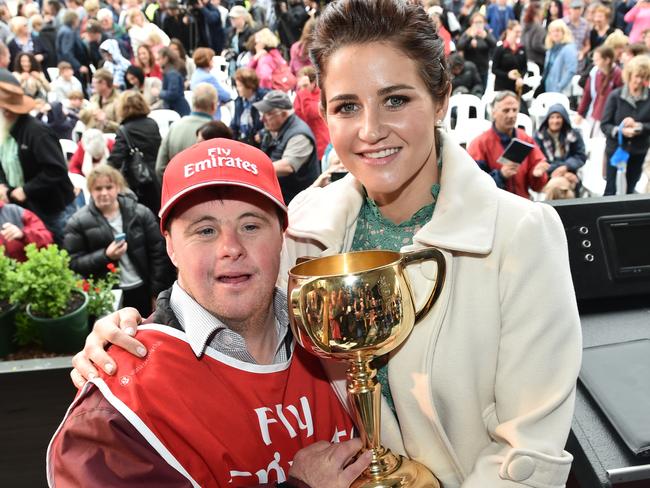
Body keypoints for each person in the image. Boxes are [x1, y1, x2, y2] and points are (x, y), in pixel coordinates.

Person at [72, 2, 582, 487]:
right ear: (324, 113)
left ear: (441, 98)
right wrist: (133, 331)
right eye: (346, 106)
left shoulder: (520, 236)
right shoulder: (302, 228)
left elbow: (528, 450)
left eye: (396, 99)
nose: (370, 130)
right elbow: (236, 311)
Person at [50, 138, 369, 487]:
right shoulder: (116, 410)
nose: (230, 248)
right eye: (205, 230)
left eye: (251, 226)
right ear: (171, 246)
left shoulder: (335, 339)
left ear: (282, 235)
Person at [63, 164, 173, 316]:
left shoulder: (140, 213)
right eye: (98, 188)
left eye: (109, 187)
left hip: (141, 288)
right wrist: (106, 256)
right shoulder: (77, 222)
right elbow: (73, 262)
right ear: (90, 190)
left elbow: (158, 255)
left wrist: (157, 293)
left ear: (118, 187)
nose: (104, 193)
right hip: (108, 294)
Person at [0, 71, 76, 244]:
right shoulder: (4, 132)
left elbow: (56, 170)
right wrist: (3, 184)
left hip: (54, 209)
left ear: (7, 111)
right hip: (27, 209)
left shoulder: (36, 132)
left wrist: (27, 190)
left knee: (63, 252)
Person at [468, 90, 550, 198]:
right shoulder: (479, 144)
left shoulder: (525, 139)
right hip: (495, 206)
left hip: (523, 203)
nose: (511, 115)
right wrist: (500, 175)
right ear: (493, 113)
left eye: (514, 110)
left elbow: (538, 186)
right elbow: (474, 186)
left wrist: (537, 174)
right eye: (506, 110)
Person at [255, 90, 319, 203]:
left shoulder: (300, 135)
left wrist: (252, 168)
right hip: (279, 196)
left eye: (268, 114)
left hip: (298, 203)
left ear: (284, 114)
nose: (262, 119)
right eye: (262, 113)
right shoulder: (273, 127)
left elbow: (287, 166)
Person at [600, 54, 650, 195]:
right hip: (616, 150)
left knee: (630, 188)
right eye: (637, 76)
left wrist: (638, 127)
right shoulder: (615, 96)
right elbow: (605, 125)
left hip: (638, 151)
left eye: (643, 77)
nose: (639, 81)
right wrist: (620, 130)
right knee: (611, 189)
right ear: (629, 75)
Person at [107, 90, 161, 214]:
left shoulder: (125, 130)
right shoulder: (152, 124)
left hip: (139, 182)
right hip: (156, 177)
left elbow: (115, 160)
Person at [155, 83, 218, 179]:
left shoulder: (174, 127)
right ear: (213, 106)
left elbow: (160, 168)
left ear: (192, 103)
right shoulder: (218, 131)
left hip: (178, 189)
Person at [534, 103, 586, 192]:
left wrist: (566, 167)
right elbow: (538, 161)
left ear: (564, 119)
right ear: (547, 119)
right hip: (547, 175)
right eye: (552, 117)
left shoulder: (573, 135)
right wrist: (560, 171)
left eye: (558, 117)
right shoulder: (539, 137)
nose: (555, 121)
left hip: (569, 171)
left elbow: (580, 156)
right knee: (558, 187)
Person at [576, 45, 623, 137]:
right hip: (595, 114)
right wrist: (580, 113)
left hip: (610, 118)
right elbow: (587, 94)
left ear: (607, 60)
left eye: (597, 60)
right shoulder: (595, 73)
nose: (594, 63)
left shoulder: (618, 75)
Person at [293, 66, 329, 161]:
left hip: (321, 145)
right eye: (300, 85)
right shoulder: (300, 94)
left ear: (313, 83)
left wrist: (304, 91)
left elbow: (310, 113)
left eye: (304, 84)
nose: (301, 87)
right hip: (305, 143)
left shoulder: (321, 94)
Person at [189, 47, 232, 120]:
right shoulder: (208, 77)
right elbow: (226, 96)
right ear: (208, 61)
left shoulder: (195, 75)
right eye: (212, 60)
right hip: (210, 116)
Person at [456, 12, 497, 89]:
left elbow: (494, 45)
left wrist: (486, 37)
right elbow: (459, 46)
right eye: (476, 22)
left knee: (483, 89)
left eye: (480, 22)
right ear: (471, 23)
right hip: (469, 70)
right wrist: (470, 37)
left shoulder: (486, 33)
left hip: (483, 68)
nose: (478, 24)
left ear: (484, 23)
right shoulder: (467, 33)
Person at [231, 67, 267, 146]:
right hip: (243, 141)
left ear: (249, 86)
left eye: (240, 86)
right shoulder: (239, 101)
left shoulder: (265, 98)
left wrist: (262, 133)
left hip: (259, 143)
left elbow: (274, 121)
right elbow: (234, 124)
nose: (237, 89)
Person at [79, 68, 121, 133]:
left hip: (111, 139)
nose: (92, 86)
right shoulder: (94, 98)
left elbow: (123, 128)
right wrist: (85, 112)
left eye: (94, 83)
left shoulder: (119, 101)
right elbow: (84, 120)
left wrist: (105, 121)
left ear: (103, 83)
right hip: (91, 137)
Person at [491, 21, 527, 96]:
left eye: (520, 32)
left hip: (517, 86)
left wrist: (521, 77)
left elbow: (524, 67)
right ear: (509, 31)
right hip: (502, 87)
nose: (519, 35)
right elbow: (494, 69)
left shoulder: (522, 48)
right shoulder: (500, 49)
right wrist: (507, 75)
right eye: (516, 32)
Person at [543, 20, 578, 95]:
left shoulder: (569, 48)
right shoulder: (551, 49)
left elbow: (571, 70)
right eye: (552, 31)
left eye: (558, 31)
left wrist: (560, 86)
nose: (555, 33)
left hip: (561, 91)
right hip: (549, 88)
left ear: (564, 32)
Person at [156, 46, 190, 116]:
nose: (157, 62)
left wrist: (159, 93)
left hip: (179, 111)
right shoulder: (169, 72)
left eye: (159, 59)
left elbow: (173, 94)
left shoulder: (172, 74)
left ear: (165, 59)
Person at [522, 1, 547, 72]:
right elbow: (536, 45)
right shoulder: (538, 28)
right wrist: (548, 50)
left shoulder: (526, 25)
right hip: (537, 61)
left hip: (527, 58)